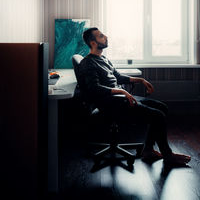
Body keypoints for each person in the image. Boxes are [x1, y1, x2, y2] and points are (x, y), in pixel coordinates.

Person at [79, 27, 191, 165]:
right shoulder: (88, 63)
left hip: (120, 99)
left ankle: (148, 150)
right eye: (101, 36)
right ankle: (168, 156)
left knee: (162, 108)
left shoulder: (104, 59)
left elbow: (118, 77)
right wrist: (122, 92)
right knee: (158, 116)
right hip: (111, 104)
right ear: (93, 43)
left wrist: (140, 80)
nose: (106, 37)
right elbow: (94, 88)